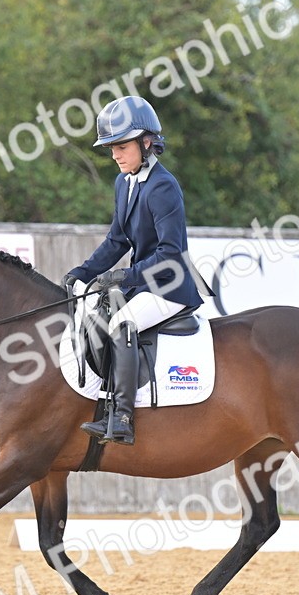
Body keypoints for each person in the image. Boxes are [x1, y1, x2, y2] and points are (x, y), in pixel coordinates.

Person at [64, 96, 204, 446]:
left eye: (122, 146)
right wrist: (82, 272)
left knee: (121, 323)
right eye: (111, 148)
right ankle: (105, 402)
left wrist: (124, 277)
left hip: (170, 285)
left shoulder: (163, 186)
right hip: (144, 284)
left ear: (147, 142)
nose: (115, 155)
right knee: (96, 316)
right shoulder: (123, 183)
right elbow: (117, 240)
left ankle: (123, 418)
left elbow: (171, 254)